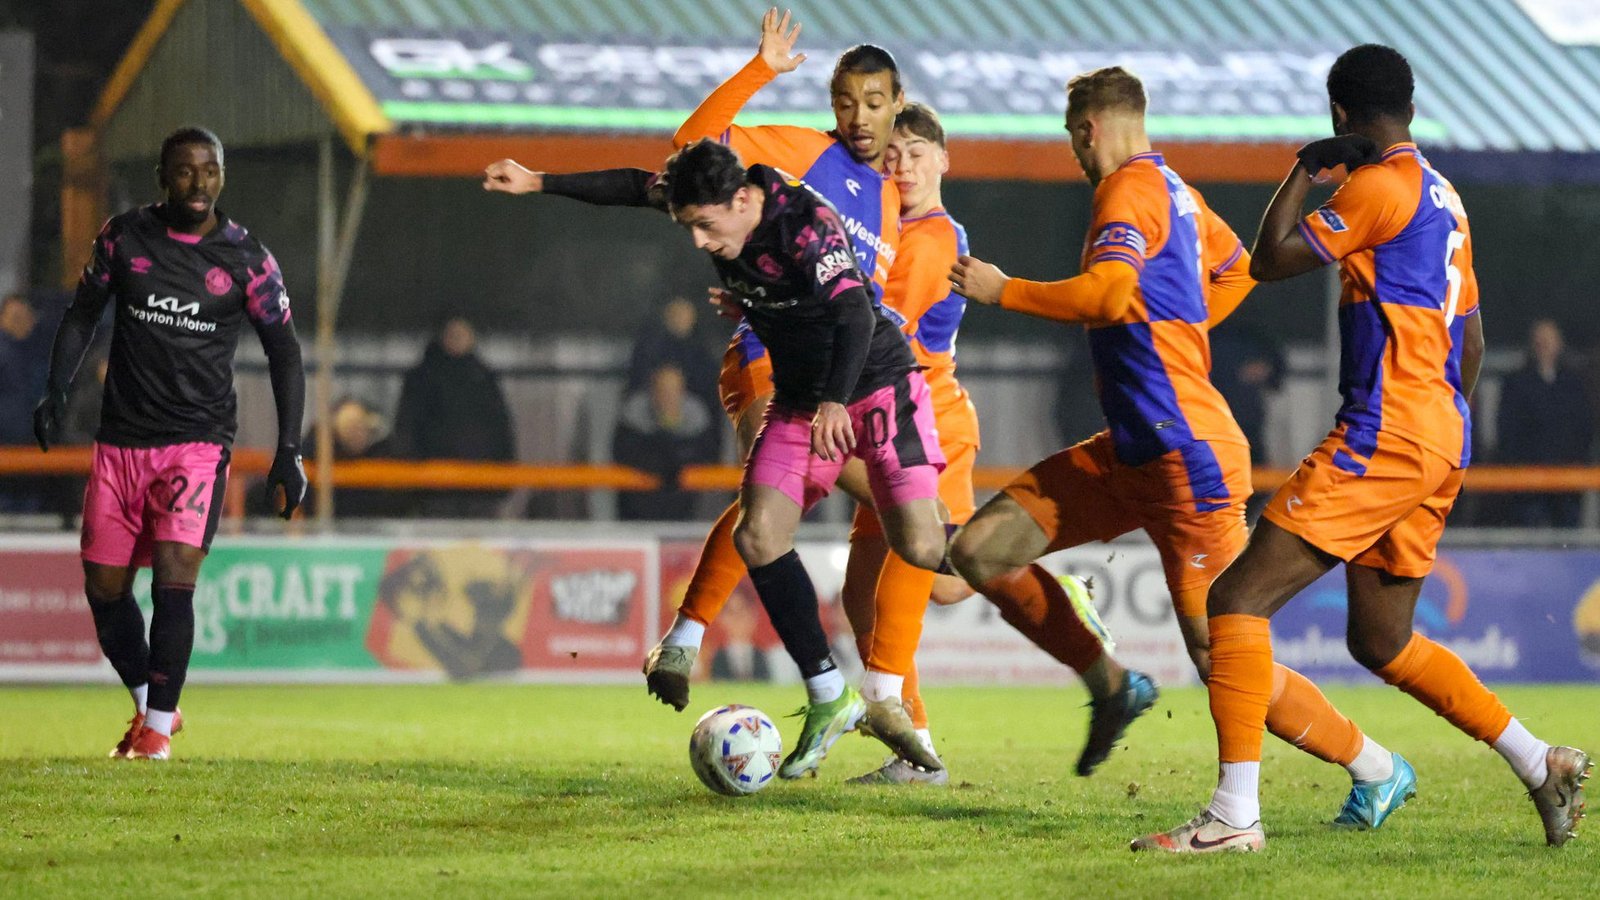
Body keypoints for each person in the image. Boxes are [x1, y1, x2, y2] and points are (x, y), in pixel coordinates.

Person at [1135, 45, 1589, 853]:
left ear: (1340, 114)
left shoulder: (1374, 187)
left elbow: (1266, 259)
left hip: (1388, 435)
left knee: (1234, 601)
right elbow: (1473, 338)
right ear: (1407, 105)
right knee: (1379, 640)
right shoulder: (1446, 198)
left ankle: (1235, 816)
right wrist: (1441, 423)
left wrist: (1302, 174)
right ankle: (1537, 761)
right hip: (1441, 434)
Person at [948, 67, 1398, 806]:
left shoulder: (1125, 189)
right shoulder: (1178, 195)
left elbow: (1110, 293)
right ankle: (1112, 684)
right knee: (977, 550)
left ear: (1089, 128)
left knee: (1221, 648)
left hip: (1187, 456)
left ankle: (1374, 765)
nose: (1075, 154)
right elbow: (1237, 273)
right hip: (1131, 449)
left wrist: (1005, 290)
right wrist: (1176, 329)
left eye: (1072, 139)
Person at [484, 139, 951, 778]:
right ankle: (828, 695)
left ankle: (1031, 573)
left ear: (742, 200)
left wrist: (836, 403)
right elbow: (629, 184)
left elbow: (854, 317)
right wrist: (539, 181)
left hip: (875, 388)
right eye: (688, 228)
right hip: (797, 396)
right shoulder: (716, 202)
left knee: (927, 551)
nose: (700, 243)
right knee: (757, 533)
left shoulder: (804, 225)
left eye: (706, 226)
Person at [32, 125, 307, 760]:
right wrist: (57, 389)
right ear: (163, 175)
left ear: (222, 176)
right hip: (121, 443)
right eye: (185, 171)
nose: (199, 182)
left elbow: (285, 354)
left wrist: (288, 448)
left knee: (175, 578)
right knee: (104, 589)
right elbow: (81, 315)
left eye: (210, 170)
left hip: (197, 444)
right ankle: (152, 706)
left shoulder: (247, 260)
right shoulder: (123, 238)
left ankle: (155, 732)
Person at [837, 102, 983, 785]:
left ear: (944, 160)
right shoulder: (885, 238)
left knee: (916, 571)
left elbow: (873, 325)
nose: (903, 165)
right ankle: (914, 749)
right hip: (885, 421)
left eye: (918, 152)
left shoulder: (930, 239)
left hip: (930, 426)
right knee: (869, 590)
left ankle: (888, 706)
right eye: (893, 155)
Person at [389, 316, 517, 518]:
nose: (458, 339)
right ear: (442, 337)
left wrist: (504, 477)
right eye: (453, 334)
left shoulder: (485, 378)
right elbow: (407, 429)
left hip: (481, 490)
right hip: (434, 491)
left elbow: (501, 429)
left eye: (463, 334)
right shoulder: (422, 378)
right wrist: (410, 480)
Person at [1495, 319, 1591, 527]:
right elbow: (1508, 430)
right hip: (1528, 481)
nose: (1544, 344)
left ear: (1560, 343)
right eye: (1539, 340)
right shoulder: (1516, 383)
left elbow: (1584, 428)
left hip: (1568, 479)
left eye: (1549, 339)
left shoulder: (1573, 383)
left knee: (1568, 538)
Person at [612, 363, 719, 520]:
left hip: (684, 515)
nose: (669, 397)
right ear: (653, 392)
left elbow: (708, 457)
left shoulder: (698, 423)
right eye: (663, 391)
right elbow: (625, 454)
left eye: (674, 391)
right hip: (636, 515)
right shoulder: (633, 421)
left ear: (683, 392)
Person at [624, 296, 721, 427]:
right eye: (676, 315)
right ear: (667, 318)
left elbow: (709, 389)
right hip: (650, 410)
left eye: (684, 316)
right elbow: (636, 381)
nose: (680, 320)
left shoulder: (702, 352)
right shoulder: (649, 347)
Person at [0, 292, 52, 512]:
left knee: (32, 511)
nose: (21, 322)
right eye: (14, 317)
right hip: (6, 447)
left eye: (25, 316)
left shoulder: (44, 354)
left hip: (36, 450)